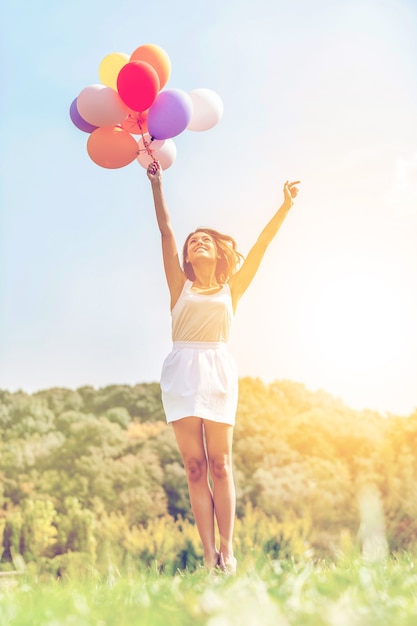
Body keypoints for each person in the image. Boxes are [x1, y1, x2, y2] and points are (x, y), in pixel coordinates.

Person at [147, 160, 299, 574]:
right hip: (181, 370)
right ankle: (208, 554)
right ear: (188, 257)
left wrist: (284, 207)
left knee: (221, 463)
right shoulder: (180, 286)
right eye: (192, 242)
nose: (196, 243)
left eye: (204, 241)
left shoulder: (232, 289)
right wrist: (157, 184)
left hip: (217, 368)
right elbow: (166, 230)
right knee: (195, 467)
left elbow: (263, 246)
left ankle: (228, 551)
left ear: (217, 252)